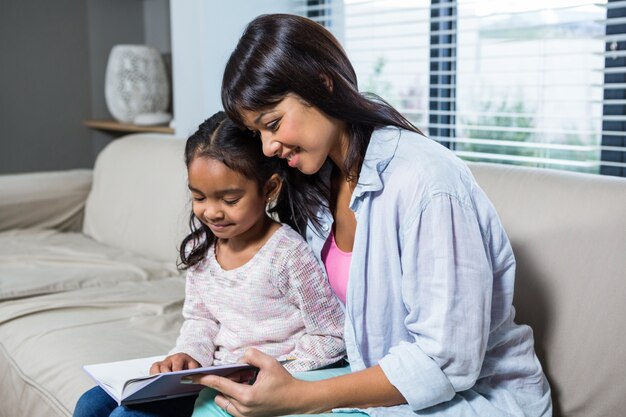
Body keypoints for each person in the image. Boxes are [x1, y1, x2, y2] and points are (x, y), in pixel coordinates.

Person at [188, 13, 553, 417]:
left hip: (474, 401)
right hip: (372, 390)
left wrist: (299, 397)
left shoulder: (426, 183)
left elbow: (445, 361)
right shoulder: (315, 181)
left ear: (322, 83)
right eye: (258, 133)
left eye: (273, 123)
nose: (269, 146)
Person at [72, 111, 346, 417]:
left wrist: (274, 371)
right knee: (92, 404)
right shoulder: (201, 249)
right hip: (211, 376)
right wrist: (187, 355)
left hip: (261, 385)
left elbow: (331, 335)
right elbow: (200, 320)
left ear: (269, 189)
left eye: (229, 200)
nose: (212, 213)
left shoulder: (287, 253)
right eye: (199, 198)